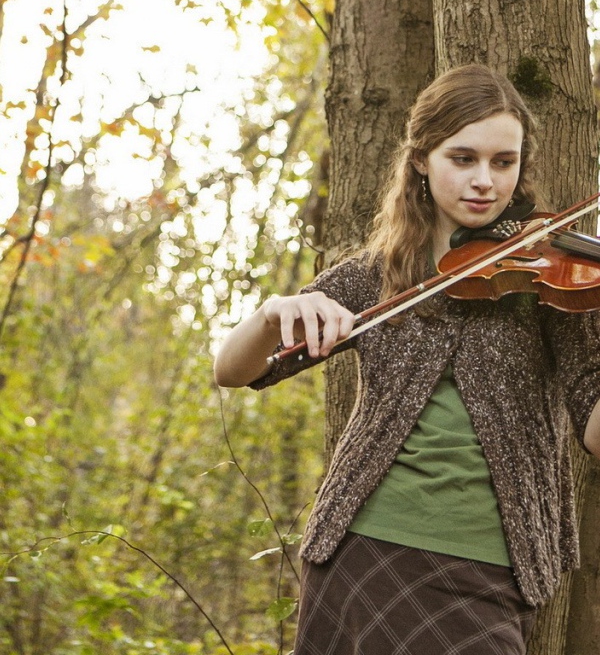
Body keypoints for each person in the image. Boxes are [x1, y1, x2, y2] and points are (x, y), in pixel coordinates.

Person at [214, 64, 600, 655]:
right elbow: (232, 371)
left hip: (492, 563)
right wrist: (273, 314)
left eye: (503, 162)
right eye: (463, 158)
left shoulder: (555, 277)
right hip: (362, 549)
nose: (484, 181)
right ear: (421, 158)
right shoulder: (375, 275)